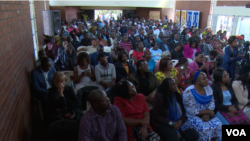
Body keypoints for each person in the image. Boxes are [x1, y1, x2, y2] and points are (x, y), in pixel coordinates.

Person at [183, 71, 222, 141]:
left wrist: (207, 114)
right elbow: (191, 111)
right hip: (193, 116)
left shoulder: (208, 89)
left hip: (206, 114)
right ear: (197, 81)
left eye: (206, 78)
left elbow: (212, 103)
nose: (207, 80)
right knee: (205, 129)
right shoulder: (189, 92)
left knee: (219, 125)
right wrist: (207, 112)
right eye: (203, 79)